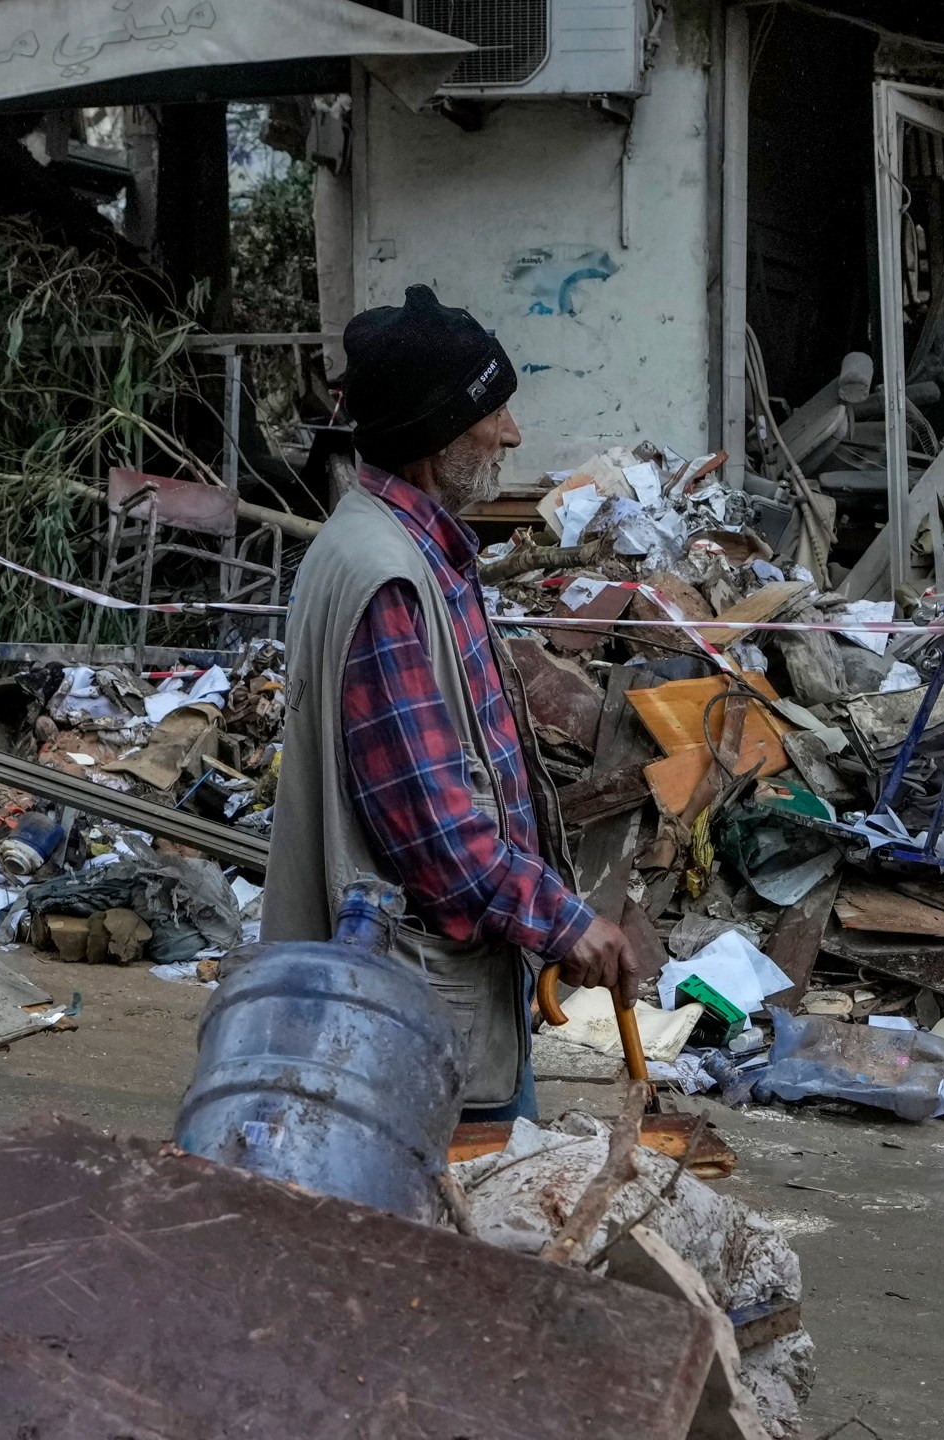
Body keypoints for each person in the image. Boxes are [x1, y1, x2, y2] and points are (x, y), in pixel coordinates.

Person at [264, 285, 633, 1123]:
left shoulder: (399, 547)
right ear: (436, 438)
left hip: (438, 998)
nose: (513, 433)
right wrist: (563, 921)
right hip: (418, 1013)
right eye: (493, 413)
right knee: (464, 1238)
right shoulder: (387, 574)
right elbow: (434, 830)